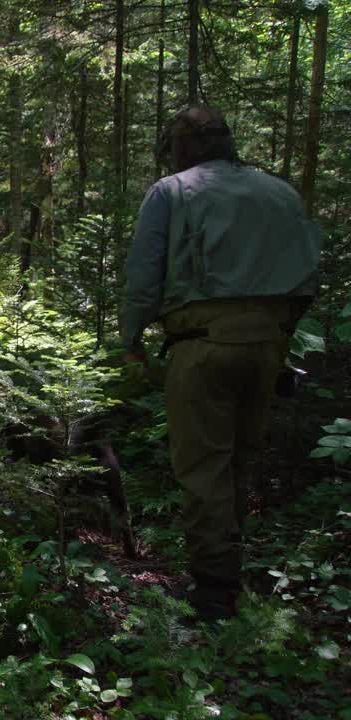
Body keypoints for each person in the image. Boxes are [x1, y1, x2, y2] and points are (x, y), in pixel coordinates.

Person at [120, 106, 321, 621]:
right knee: (240, 459)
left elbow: (145, 273)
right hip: (269, 342)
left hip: (202, 341)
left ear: (181, 146)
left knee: (203, 465)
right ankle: (228, 573)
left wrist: (130, 336)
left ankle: (213, 592)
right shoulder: (280, 192)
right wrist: (278, 334)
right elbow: (306, 276)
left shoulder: (172, 191)